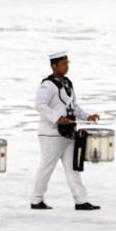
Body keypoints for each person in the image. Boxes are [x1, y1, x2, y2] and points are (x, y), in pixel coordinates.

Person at [31, 51, 101, 211]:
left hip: (68, 133)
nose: (66, 66)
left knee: (72, 167)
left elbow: (73, 107)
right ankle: (36, 199)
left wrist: (87, 116)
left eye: (67, 63)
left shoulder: (68, 83)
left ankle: (81, 200)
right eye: (63, 63)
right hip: (51, 133)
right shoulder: (47, 85)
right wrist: (58, 118)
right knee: (47, 166)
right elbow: (40, 105)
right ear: (53, 66)